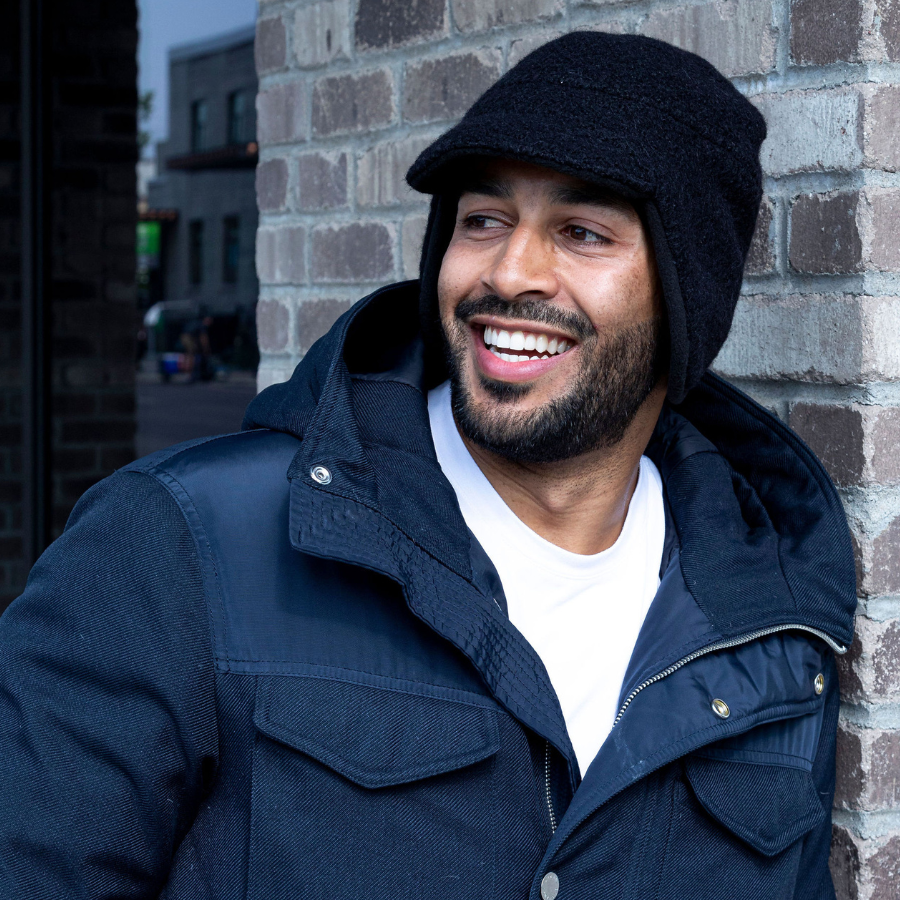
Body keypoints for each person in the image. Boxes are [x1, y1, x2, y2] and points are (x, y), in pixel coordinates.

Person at [0, 32, 856, 900]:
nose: (510, 271)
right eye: (482, 220)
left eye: (583, 232)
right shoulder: (178, 547)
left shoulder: (774, 631)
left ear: (687, 297)